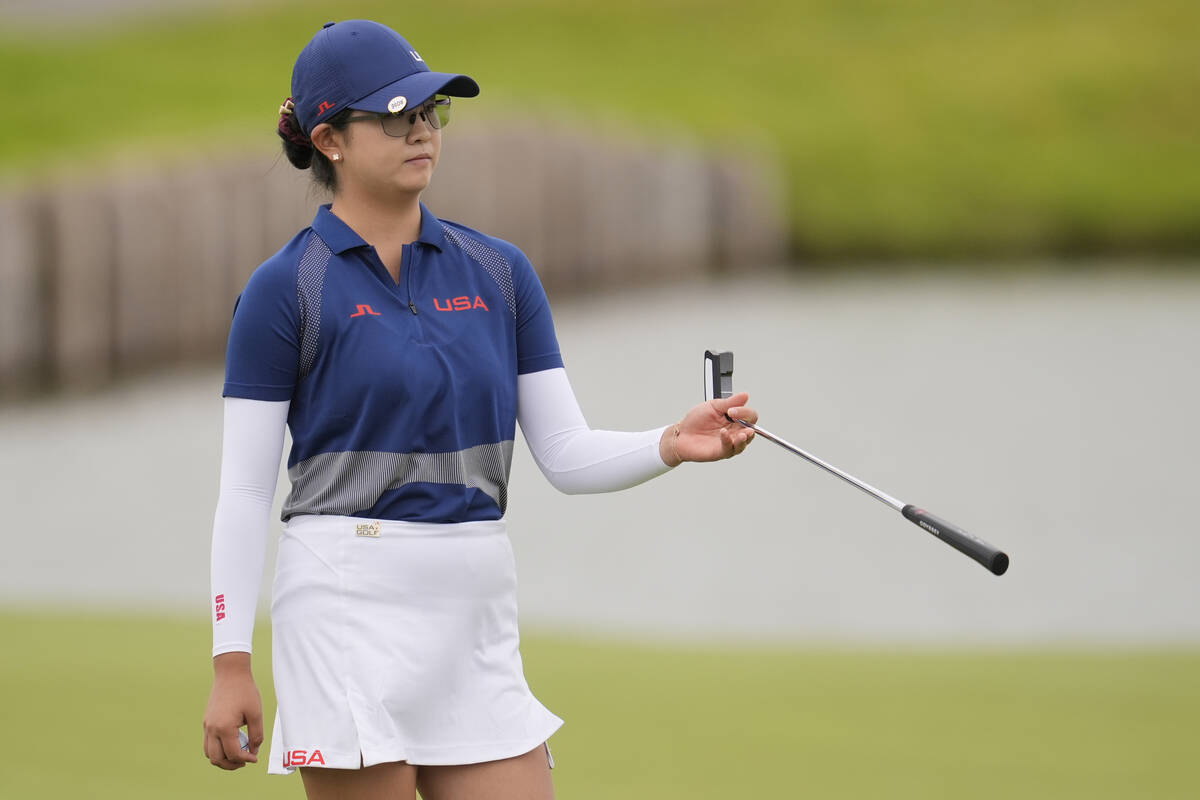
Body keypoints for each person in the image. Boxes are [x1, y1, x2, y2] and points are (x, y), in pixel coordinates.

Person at [201, 19, 757, 800]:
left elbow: (563, 452)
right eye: (396, 116)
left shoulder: (500, 272)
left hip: (474, 610)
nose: (422, 130)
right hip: (344, 603)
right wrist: (231, 660)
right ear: (329, 139)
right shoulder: (286, 288)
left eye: (431, 112)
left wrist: (671, 441)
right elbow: (246, 491)